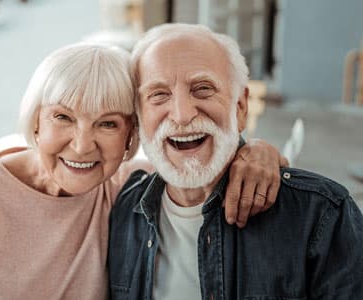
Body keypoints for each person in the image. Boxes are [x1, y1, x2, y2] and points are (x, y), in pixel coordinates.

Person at [0, 42, 284, 299]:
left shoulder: (125, 185)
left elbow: (206, 162)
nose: (83, 145)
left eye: (107, 124)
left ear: (131, 136)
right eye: (63, 118)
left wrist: (257, 152)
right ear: (36, 120)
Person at [108, 23, 363, 299]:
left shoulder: (321, 214)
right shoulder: (121, 209)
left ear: (240, 108)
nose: (181, 115)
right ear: (138, 118)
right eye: (159, 95)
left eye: (202, 88)